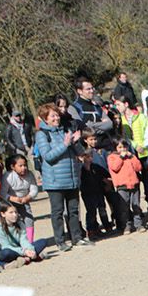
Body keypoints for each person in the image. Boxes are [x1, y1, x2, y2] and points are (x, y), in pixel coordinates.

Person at [34, 104, 86, 251]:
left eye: (57, 115)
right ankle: (60, 240)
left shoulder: (66, 130)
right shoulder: (42, 134)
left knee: (74, 210)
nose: (56, 118)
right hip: (55, 181)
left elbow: (79, 152)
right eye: (52, 116)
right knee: (57, 212)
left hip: (72, 177)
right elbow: (48, 156)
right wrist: (64, 144)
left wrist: (75, 142)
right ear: (45, 119)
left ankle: (77, 238)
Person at [108, 141, 146, 233]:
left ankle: (138, 224)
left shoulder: (131, 157)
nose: (123, 149)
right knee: (124, 208)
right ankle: (126, 225)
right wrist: (121, 157)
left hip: (134, 184)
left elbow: (138, 167)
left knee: (136, 206)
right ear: (115, 148)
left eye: (124, 147)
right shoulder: (112, 157)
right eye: (120, 147)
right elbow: (114, 167)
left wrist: (132, 157)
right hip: (122, 186)